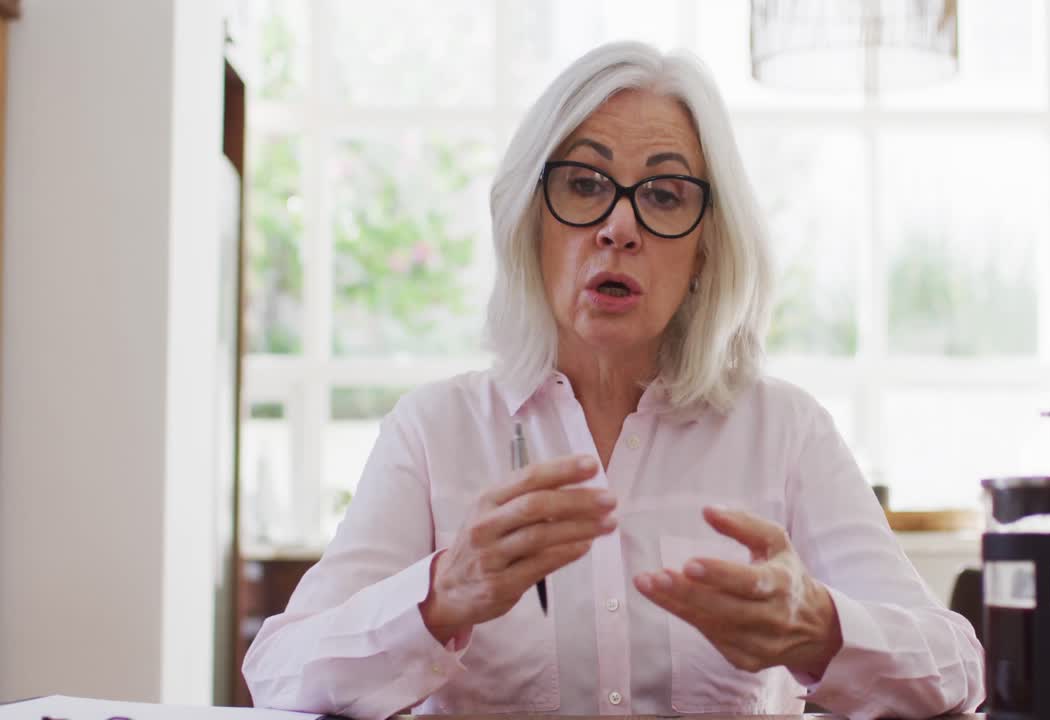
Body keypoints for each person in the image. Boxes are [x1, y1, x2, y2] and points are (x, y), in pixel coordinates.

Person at [242, 41, 984, 720]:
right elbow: (278, 673)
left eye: (663, 195)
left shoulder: (784, 430)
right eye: (584, 183)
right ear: (532, 222)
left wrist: (820, 629)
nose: (618, 228)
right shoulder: (436, 429)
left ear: (705, 248)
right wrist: (439, 595)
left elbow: (958, 670)